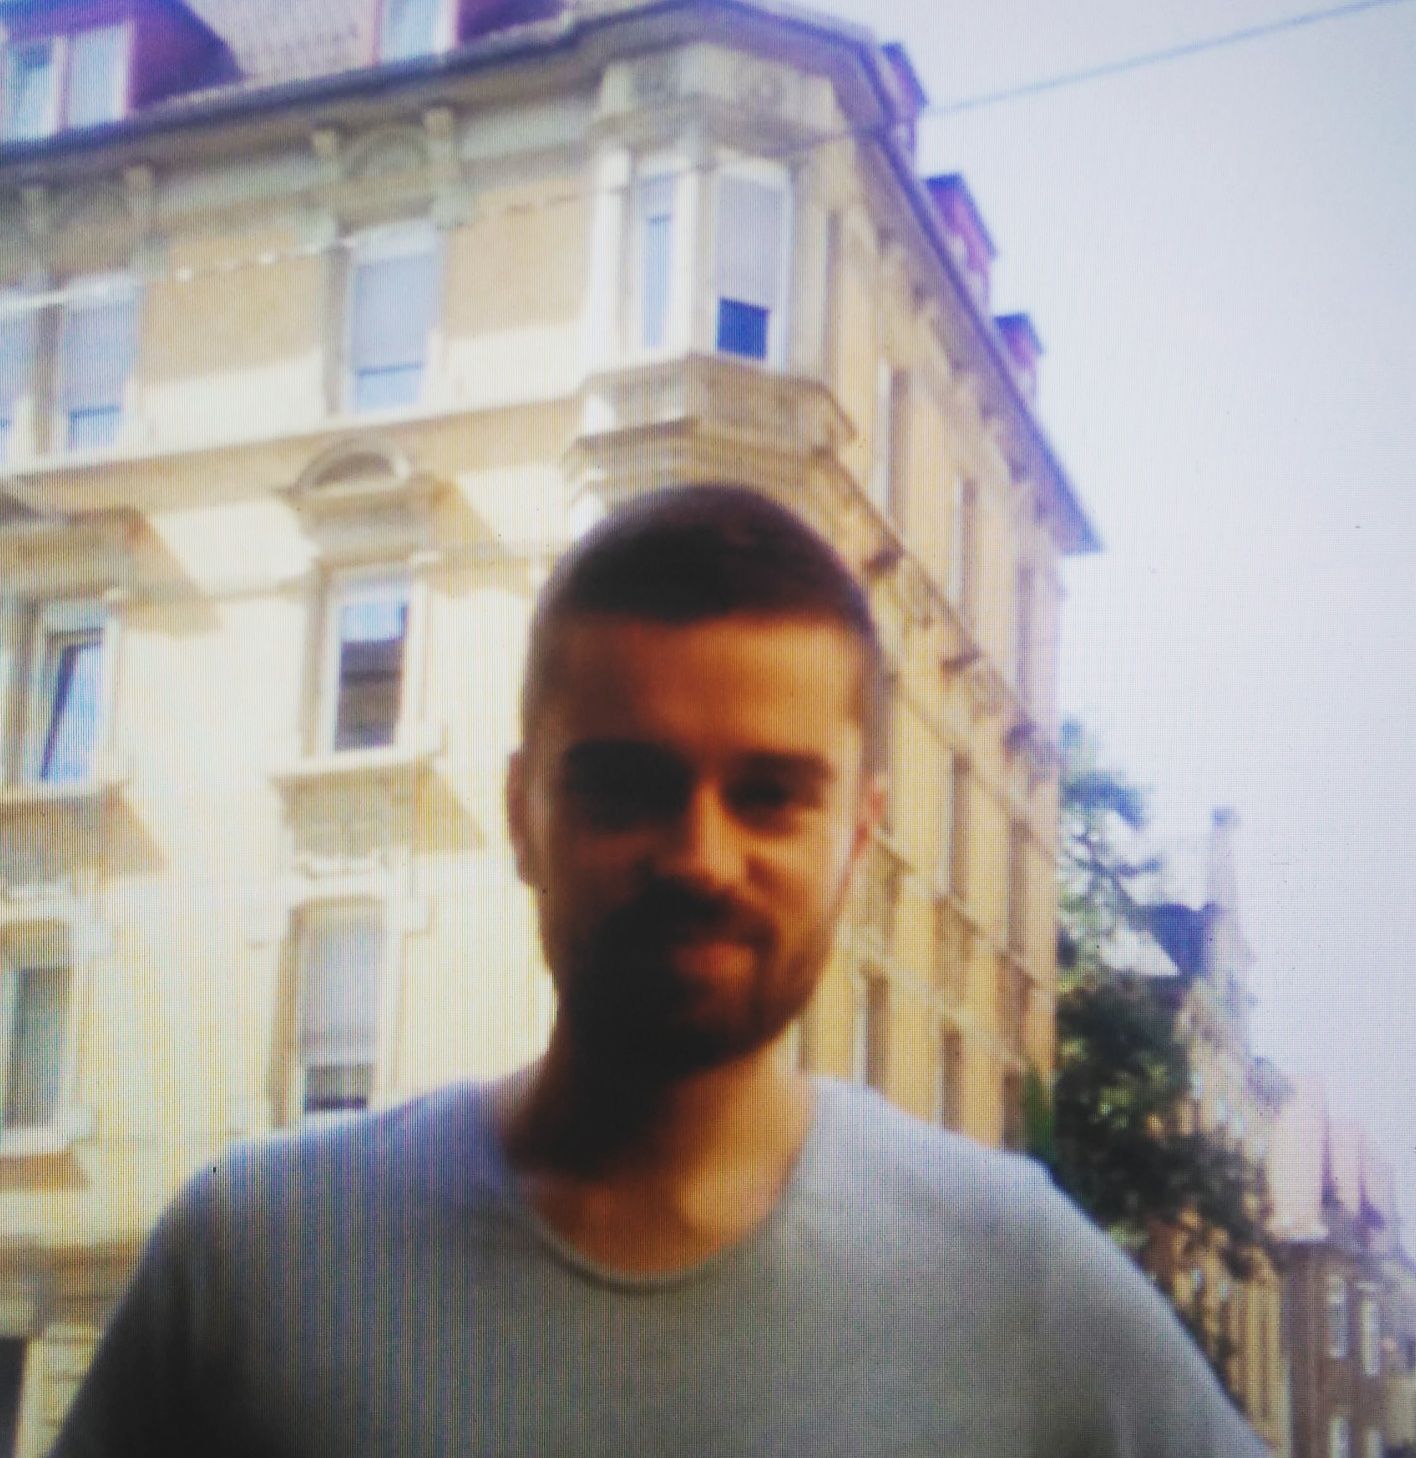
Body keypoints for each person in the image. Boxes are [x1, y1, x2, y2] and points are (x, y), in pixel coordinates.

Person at [51, 484, 1265, 1457]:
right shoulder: (254, 1263)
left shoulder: (1017, 1279)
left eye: (769, 795)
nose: (698, 857)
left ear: (858, 839)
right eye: (628, 785)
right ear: (521, 813)